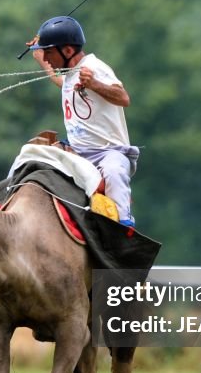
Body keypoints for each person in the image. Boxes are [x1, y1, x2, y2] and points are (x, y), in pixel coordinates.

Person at [28, 15, 139, 227]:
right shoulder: (70, 72)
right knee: (31, 156)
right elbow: (60, 82)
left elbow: (123, 98)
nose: (49, 58)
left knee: (115, 173)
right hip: (77, 152)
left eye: (50, 52)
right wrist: (41, 56)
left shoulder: (94, 67)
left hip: (109, 152)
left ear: (68, 51)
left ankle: (123, 229)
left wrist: (95, 84)